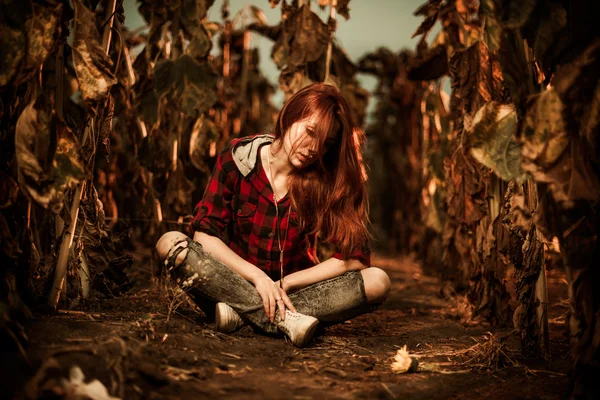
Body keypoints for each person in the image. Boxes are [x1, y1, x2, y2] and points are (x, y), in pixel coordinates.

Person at [156, 83, 391, 347]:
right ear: (290, 116)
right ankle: (285, 320)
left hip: (294, 292)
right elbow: (204, 235)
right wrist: (257, 278)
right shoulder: (236, 162)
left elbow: (355, 258)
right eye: (310, 132)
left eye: (326, 144)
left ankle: (243, 315)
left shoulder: (324, 181)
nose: (314, 148)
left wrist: (286, 283)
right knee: (170, 242)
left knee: (378, 280)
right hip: (234, 282)